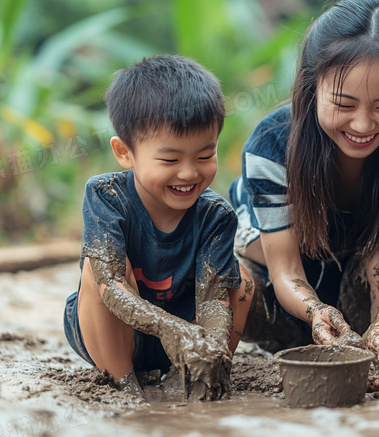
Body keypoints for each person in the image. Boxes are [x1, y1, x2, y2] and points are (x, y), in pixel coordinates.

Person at [228, 0, 379, 391]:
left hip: (374, 269)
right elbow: (285, 271)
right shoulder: (271, 146)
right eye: (343, 104)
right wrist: (315, 311)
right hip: (294, 267)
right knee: (238, 280)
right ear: (312, 85)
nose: (363, 124)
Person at [62, 55, 253, 401]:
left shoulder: (215, 215)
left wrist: (206, 345)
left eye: (204, 156)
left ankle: (195, 376)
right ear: (124, 152)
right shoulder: (106, 196)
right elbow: (109, 287)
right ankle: (124, 385)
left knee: (242, 281)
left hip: (180, 340)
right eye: (169, 159)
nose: (189, 173)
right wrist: (171, 328)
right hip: (112, 333)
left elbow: (212, 301)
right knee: (99, 271)